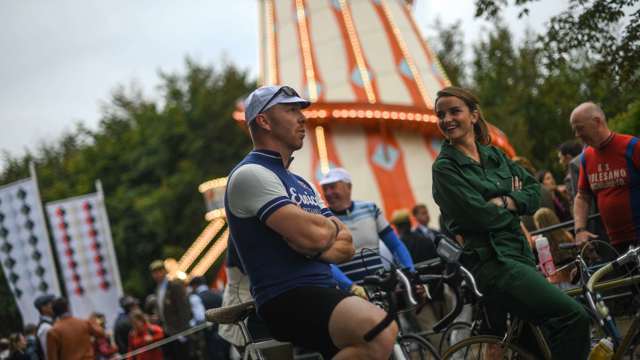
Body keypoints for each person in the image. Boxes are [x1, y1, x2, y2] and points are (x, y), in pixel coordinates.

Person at [224, 85, 397, 359]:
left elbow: (346, 247)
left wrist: (313, 239)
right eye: (291, 110)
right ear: (264, 121)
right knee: (379, 328)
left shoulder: (302, 182)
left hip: (321, 289)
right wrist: (324, 234)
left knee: (378, 335)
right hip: (287, 296)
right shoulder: (251, 174)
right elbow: (315, 237)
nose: (302, 118)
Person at [431, 86, 590, 359]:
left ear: (473, 115)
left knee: (538, 346)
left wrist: (505, 202)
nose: (447, 119)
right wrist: (512, 201)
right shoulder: (445, 168)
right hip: (494, 264)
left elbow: (533, 192)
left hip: (521, 256)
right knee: (573, 316)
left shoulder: (495, 156)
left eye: (454, 111)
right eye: (440, 114)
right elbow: (479, 215)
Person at [319, 167, 416, 292]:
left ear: (348, 187)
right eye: (325, 189)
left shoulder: (370, 208)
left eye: (332, 187)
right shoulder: (323, 219)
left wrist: (410, 272)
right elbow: (327, 262)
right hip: (350, 295)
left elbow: (395, 245)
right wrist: (350, 287)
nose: (328, 193)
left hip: (382, 287)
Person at [570, 101, 640, 252]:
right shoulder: (586, 157)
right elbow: (582, 196)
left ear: (597, 122)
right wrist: (580, 230)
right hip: (613, 244)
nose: (577, 135)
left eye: (580, 128)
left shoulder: (632, 146)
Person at [149, 260, 193, 360]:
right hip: (167, 331)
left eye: (159, 271)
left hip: (179, 331)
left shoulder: (174, 285)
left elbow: (184, 309)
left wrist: (184, 331)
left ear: (165, 271)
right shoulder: (158, 289)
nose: (157, 274)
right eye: (155, 272)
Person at [189, 276, 229, 360]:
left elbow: (200, 318)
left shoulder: (195, 298)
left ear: (194, 286)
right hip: (225, 332)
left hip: (209, 335)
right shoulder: (218, 293)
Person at [33, 294, 55, 360]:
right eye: (51, 304)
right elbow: (48, 354)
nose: (54, 306)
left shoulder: (50, 323)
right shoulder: (45, 328)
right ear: (43, 308)